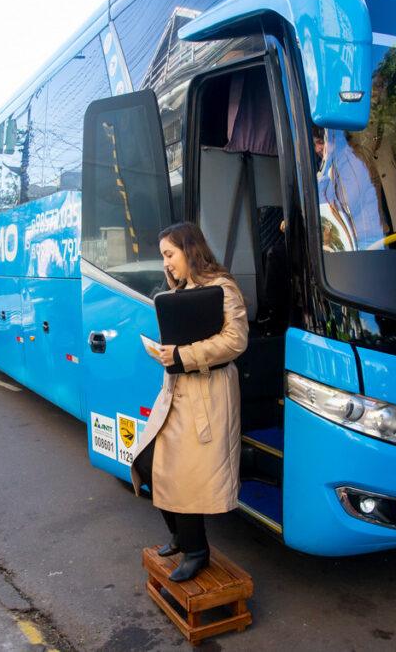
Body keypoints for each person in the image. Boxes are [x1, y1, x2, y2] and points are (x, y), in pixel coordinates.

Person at [130, 222, 249, 582]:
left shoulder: (222, 287)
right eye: (163, 257)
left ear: (189, 249)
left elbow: (236, 340)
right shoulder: (181, 290)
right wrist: (166, 353)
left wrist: (182, 355)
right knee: (148, 461)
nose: (165, 263)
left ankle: (197, 551)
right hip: (176, 392)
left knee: (183, 476)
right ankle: (181, 536)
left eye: (169, 254)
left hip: (207, 396)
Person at [347, 77, 396, 233]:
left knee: (388, 224)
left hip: (387, 179)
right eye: (371, 84)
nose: (375, 89)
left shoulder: (392, 112)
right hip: (360, 178)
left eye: (379, 85)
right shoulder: (351, 109)